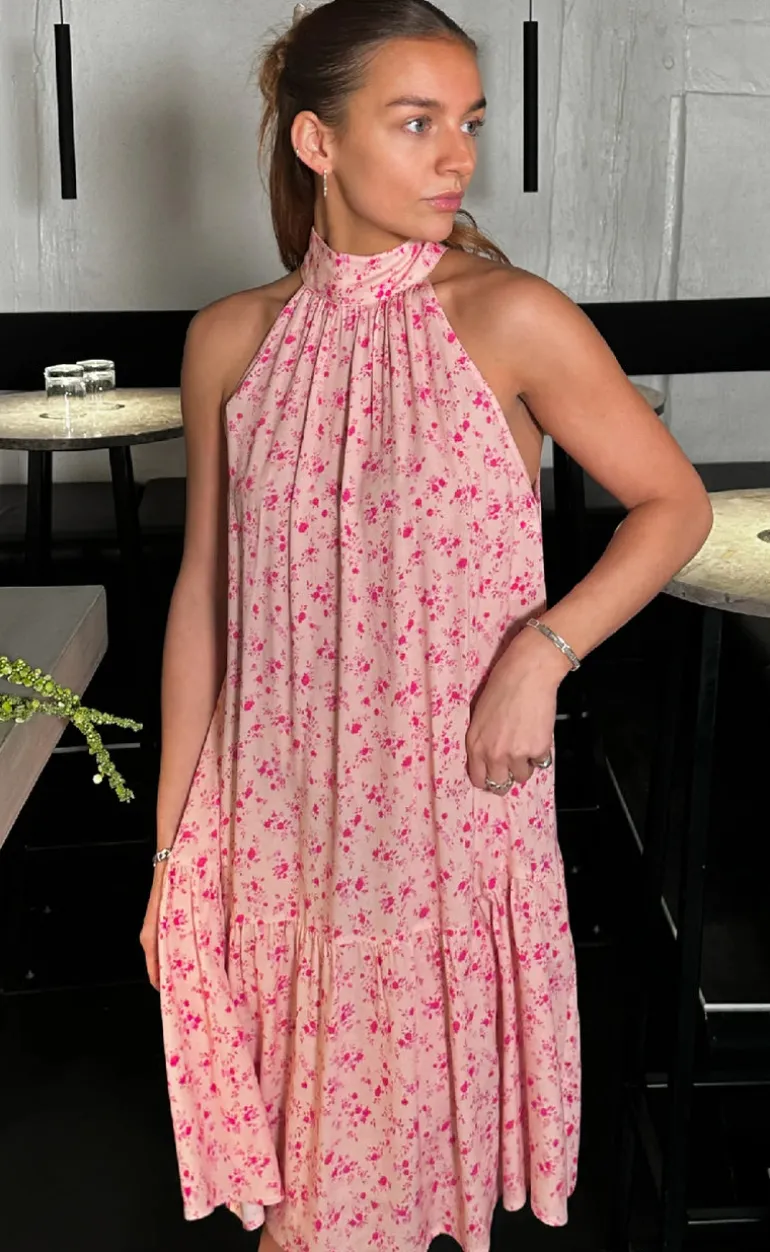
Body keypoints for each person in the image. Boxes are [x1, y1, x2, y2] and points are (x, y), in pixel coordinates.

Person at [139, 2, 712, 1251]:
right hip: (270, 812)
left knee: (376, 1198)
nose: (457, 156)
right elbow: (203, 595)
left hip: (435, 818)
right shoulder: (227, 340)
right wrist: (176, 847)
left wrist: (539, 655)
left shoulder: (509, 316)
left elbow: (673, 506)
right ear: (316, 141)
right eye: (415, 123)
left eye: (469, 122)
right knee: (293, 1202)